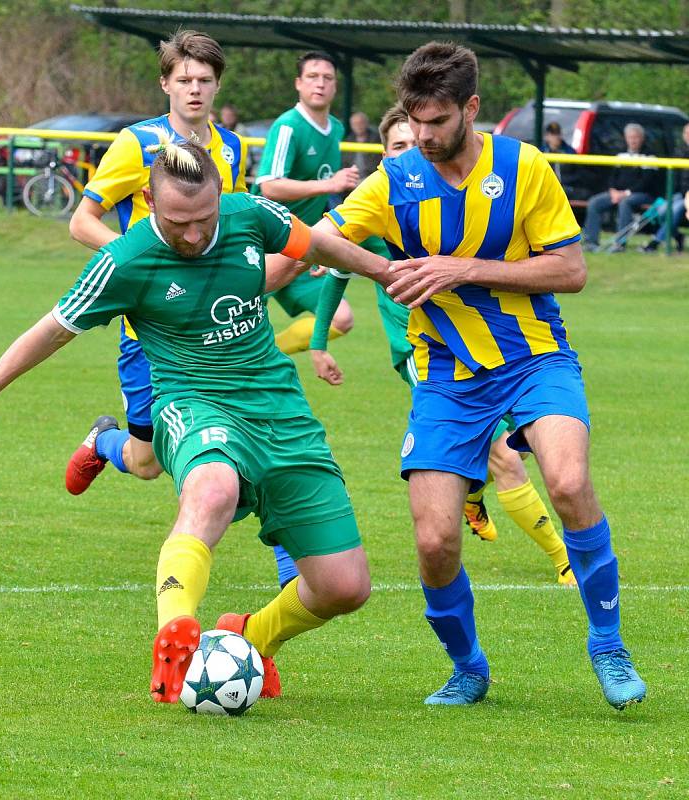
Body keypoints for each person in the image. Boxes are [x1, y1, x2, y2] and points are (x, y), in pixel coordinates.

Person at [0, 139, 393, 704]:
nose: (192, 235)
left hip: (280, 410)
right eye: (177, 221)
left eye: (204, 219)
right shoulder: (125, 260)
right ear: (148, 199)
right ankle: (175, 636)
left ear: (221, 197)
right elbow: (53, 328)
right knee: (212, 487)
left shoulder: (249, 214)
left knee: (344, 587)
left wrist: (388, 272)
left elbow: (319, 244)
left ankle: (249, 636)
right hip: (191, 402)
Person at [315, 41, 646, 709]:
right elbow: (323, 236)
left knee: (567, 478)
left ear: (470, 109)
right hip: (445, 376)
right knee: (435, 538)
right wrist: (381, 269)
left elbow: (570, 270)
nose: (422, 135)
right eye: (412, 121)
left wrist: (461, 268)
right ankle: (467, 667)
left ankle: (607, 645)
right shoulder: (394, 179)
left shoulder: (523, 167)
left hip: (533, 357)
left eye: (435, 121)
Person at [308, 104, 577, 587]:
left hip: (509, 352)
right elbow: (333, 273)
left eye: (424, 137)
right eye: (402, 145)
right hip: (426, 357)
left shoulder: (486, 183)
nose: (417, 148)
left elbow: (568, 268)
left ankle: (472, 489)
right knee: (505, 456)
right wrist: (318, 341)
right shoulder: (381, 212)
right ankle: (562, 559)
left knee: (548, 460)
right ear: (385, 155)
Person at [67, 30, 248, 493]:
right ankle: (105, 440)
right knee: (146, 462)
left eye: (204, 80)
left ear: (217, 86)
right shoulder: (136, 143)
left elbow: (237, 222)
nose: (195, 89)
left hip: (214, 322)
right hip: (148, 325)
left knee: (246, 438)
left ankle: (291, 562)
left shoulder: (232, 148)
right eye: (184, 79)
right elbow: (82, 221)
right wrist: (139, 268)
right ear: (165, 84)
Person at [255, 50, 360, 355]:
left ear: (335, 86)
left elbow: (320, 200)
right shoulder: (289, 126)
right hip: (262, 245)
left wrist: (320, 250)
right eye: (312, 77)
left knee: (341, 319)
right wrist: (331, 184)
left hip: (300, 246)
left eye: (328, 78)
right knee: (232, 326)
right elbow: (269, 186)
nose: (320, 84)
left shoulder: (336, 129)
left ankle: (269, 354)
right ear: (298, 83)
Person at [582, 123, 659, 252]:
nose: (633, 140)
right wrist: (612, 190)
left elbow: (647, 182)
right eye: (630, 137)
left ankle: (619, 244)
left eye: (636, 137)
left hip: (642, 194)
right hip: (618, 193)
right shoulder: (620, 154)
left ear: (642, 138)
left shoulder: (650, 156)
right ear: (625, 138)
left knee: (625, 203)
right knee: (594, 202)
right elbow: (612, 177)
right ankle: (591, 242)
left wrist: (625, 193)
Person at [639, 121, 689, 253]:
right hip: (681, 194)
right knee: (661, 211)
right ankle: (678, 236)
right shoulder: (680, 151)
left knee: (676, 211)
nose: (688, 135)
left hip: (688, 196)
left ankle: (655, 242)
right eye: (686, 133)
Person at [341, 111, 382, 183]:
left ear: (367, 123)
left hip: (372, 179)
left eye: (361, 123)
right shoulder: (348, 141)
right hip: (351, 179)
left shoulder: (377, 140)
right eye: (355, 124)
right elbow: (344, 163)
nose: (358, 126)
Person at [541, 121, 578, 199]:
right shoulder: (541, 152)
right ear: (546, 136)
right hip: (547, 188)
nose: (556, 137)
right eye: (553, 134)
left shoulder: (570, 152)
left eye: (558, 133)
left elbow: (577, 174)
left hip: (566, 188)